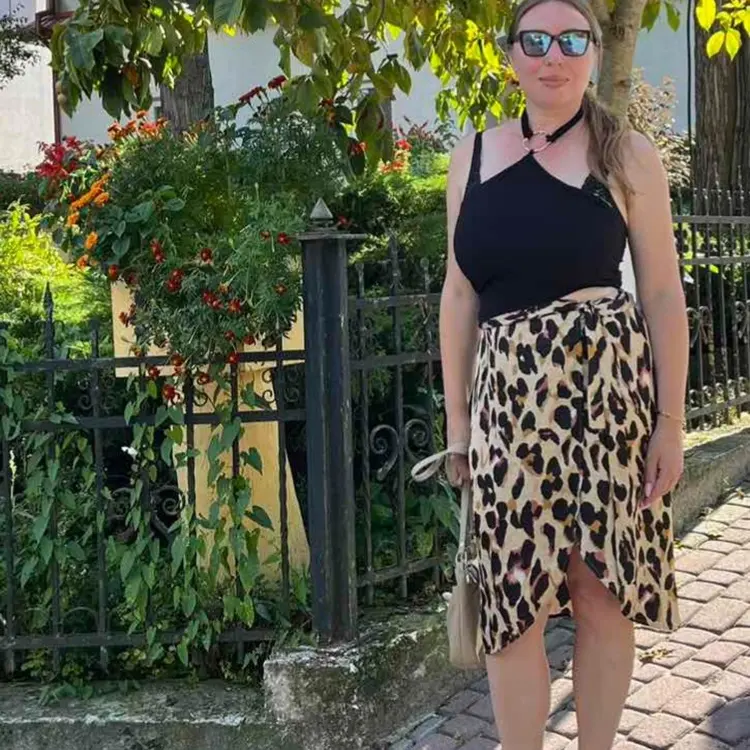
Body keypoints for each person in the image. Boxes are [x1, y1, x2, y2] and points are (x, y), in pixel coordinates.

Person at [439, 0, 689, 747]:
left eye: (573, 40)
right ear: (511, 54)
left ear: (592, 54)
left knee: (599, 590)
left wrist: (670, 423)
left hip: (605, 397)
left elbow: (663, 294)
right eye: (538, 39)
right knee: (510, 600)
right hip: (507, 404)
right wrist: (458, 426)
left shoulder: (627, 156)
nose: (555, 55)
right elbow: (459, 295)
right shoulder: (472, 156)